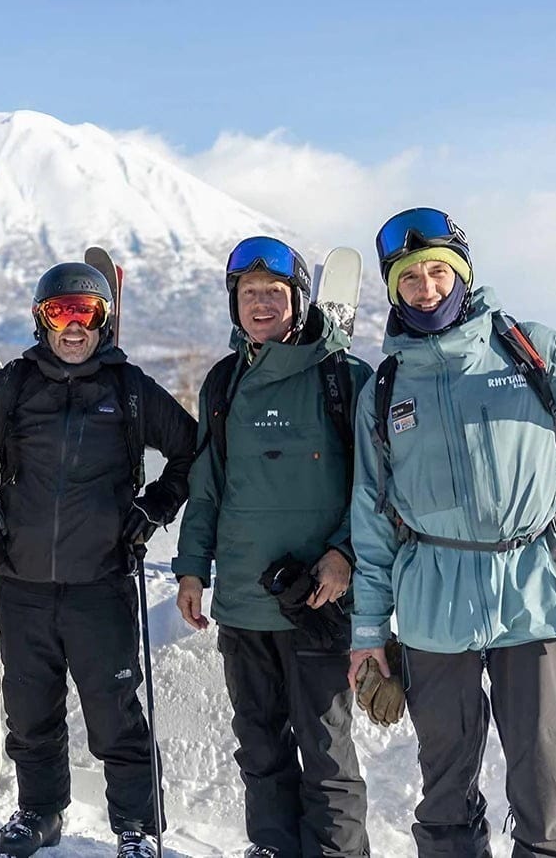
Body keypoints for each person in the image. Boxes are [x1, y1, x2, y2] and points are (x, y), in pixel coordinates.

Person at [347, 207, 556, 858]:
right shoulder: (385, 388)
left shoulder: (527, 348)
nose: (426, 288)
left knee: (545, 781)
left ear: (463, 275)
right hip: (433, 605)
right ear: (393, 288)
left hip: (534, 594)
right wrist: (368, 633)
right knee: (444, 784)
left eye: (439, 272)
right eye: (409, 277)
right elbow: (372, 518)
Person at [0, 262, 196, 858]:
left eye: (86, 312)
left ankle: (137, 826)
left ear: (104, 320)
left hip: (101, 584)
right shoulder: (10, 386)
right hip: (22, 581)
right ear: (41, 320)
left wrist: (156, 506)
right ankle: (39, 812)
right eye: (60, 312)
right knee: (30, 712)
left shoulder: (129, 389)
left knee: (115, 715)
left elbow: (193, 448)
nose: (73, 325)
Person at [172, 237, 373, 858]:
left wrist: (343, 555)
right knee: (259, 747)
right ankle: (272, 846)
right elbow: (206, 487)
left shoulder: (345, 378)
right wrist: (191, 570)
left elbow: (377, 486)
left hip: (319, 600)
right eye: (249, 292)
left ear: (299, 300)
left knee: (326, 750)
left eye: (274, 292)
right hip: (242, 601)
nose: (260, 304)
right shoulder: (223, 381)